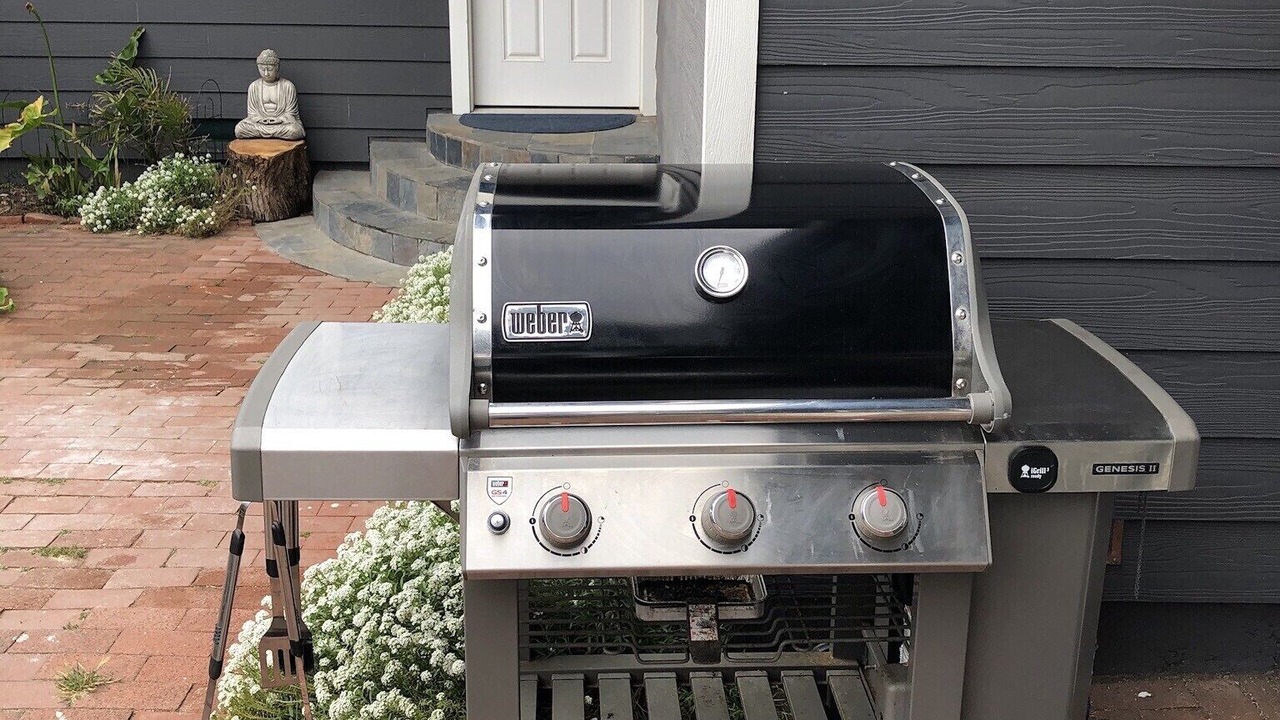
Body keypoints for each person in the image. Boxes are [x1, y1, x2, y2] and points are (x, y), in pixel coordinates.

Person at [235, 49, 305, 140]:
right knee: (239, 129)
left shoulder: (288, 86)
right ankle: (271, 134)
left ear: (277, 68)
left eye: (270, 69)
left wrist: (279, 120)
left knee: (294, 131)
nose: (266, 73)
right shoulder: (254, 87)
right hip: (260, 124)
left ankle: (266, 133)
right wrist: (261, 120)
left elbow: (291, 114)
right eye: (262, 69)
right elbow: (252, 114)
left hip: (281, 124)